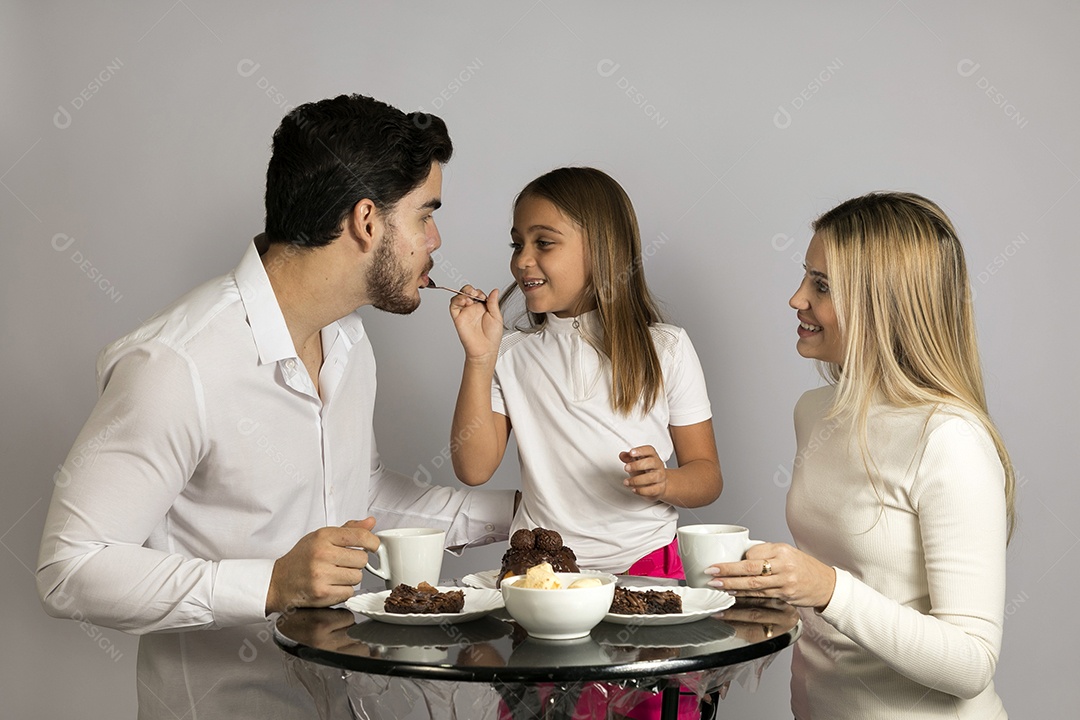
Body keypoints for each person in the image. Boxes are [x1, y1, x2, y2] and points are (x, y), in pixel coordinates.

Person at [36, 94, 517, 720]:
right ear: (366, 221)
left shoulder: (347, 340)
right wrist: (270, 583)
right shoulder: (176, 364)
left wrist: (525, 515)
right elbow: (68, 568)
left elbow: (358, 499)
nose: (436, 238)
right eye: (426, 215)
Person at [705, 192, 1014, 719]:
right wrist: (771, 594)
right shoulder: (815, 412)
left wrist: (824, 587)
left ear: (881, 302)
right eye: (806, 277)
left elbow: (971, 665)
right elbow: (845, 598)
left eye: (821, 285)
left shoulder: (950, 439)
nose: (796, 298)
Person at [447, 166, 723, 579]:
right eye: (517, 244)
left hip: (646, 567)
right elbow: (474, 468)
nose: (522, 260)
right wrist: (478, 359)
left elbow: (707, 476)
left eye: (544, 242)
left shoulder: (667, 348)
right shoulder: (508, 354)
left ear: (601, 248)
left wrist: (666, 482)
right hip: (543, 575)